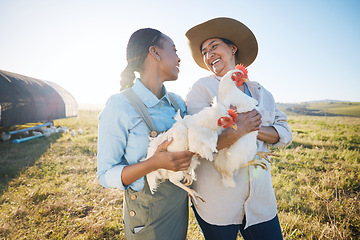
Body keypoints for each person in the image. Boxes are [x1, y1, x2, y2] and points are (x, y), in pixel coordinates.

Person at [185, 17, 293, 240]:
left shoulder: (262, 93)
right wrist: (238, 130)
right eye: (205, 51)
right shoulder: (202, 89)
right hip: (218, 202)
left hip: (260, 202)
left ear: (233, 48)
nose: (208, 55)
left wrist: (252, 128)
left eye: (214, 46)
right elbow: (198, 144)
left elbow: (284, 133)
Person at [97, 28, 193, 240]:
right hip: (147, 218)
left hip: (178, 208)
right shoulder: (119, 106)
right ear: (155, 52)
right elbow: (105, 175)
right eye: (174, 50)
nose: (179, 58)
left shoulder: (178, 104)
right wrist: (154, 163)